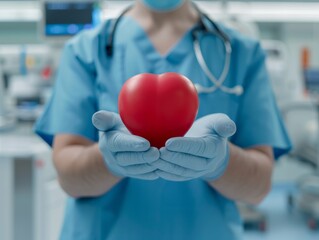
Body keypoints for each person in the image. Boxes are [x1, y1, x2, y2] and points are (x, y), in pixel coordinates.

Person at [34, 0, 291, 239]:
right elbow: (68, 178)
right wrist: (106, 160)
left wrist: (221, 162)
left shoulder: (241, 53)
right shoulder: (87, 50)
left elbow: (258, 187)